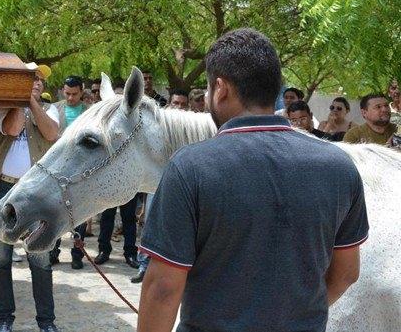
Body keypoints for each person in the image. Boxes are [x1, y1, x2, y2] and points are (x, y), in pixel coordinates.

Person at [138, 28, 369, 332]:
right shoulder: (339, 166)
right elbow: (347, 273)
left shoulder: (190, 167)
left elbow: (163, 289)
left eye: (208, 90)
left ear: (220, 89)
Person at [0, 64, 60, 332]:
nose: (37, 83)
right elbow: (13, 128)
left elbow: (51, 133)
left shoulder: (51, 109)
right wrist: (20, 99)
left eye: (39, 80)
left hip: (37, 195)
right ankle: (5, 320)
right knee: (0, 259)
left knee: (40, 258)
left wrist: (31, 102)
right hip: (1, 190)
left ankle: (46, 322)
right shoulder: (0, 108)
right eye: (30, 79)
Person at [50, 75, 90, 270]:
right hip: (58, 168)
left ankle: (77, 254)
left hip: (80, 171)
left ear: (82, 92)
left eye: (74, 94)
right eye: (67, 94)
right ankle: (54, 251)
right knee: (55, 211)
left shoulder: (90, 112)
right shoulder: (54, 109)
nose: (70, 98)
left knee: (79, 215)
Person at [94, 192, 141, 269]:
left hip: (129, 185)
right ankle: (104, 250)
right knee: (106, 217)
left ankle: (130, 253)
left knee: (129, 217)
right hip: (110, 186)